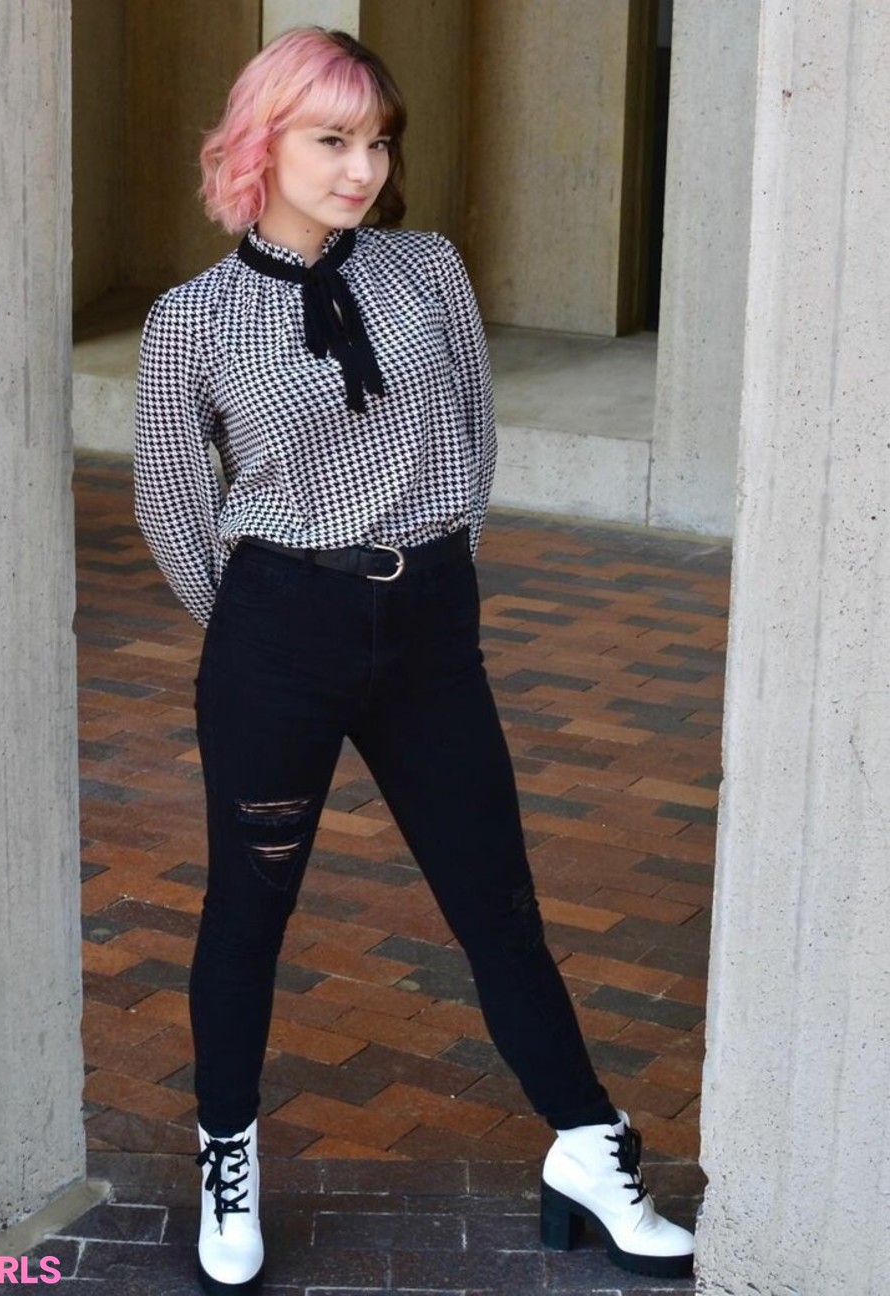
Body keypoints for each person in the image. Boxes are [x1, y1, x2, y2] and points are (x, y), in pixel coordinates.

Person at [133, 26, 696, 1294]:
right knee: (248, 910)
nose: (363, 169)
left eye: (378, 143)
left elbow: (474, 442)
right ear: (260, 143)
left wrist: (427, 571)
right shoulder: (191, 319)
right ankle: (228, 1153)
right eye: (333, 140)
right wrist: (259, 629)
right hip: (278, 631)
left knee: (496, 901)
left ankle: (586, 1146)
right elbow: (170, 500)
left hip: (430, 622)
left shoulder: (427, 268)